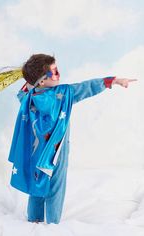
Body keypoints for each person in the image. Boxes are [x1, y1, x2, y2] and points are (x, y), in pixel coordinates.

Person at [8, 54, 136, 224]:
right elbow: (86, 87)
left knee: (36, 184)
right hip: (56, 153)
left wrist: (29, 76)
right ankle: (53, 224)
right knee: (55, 187)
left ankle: (34, 220)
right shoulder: (64, 95)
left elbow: (23, 91)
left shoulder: (28, 97)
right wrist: (113, 81)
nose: (59, 74)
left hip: (35, 151)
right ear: (42, 81)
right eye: (54, 72)